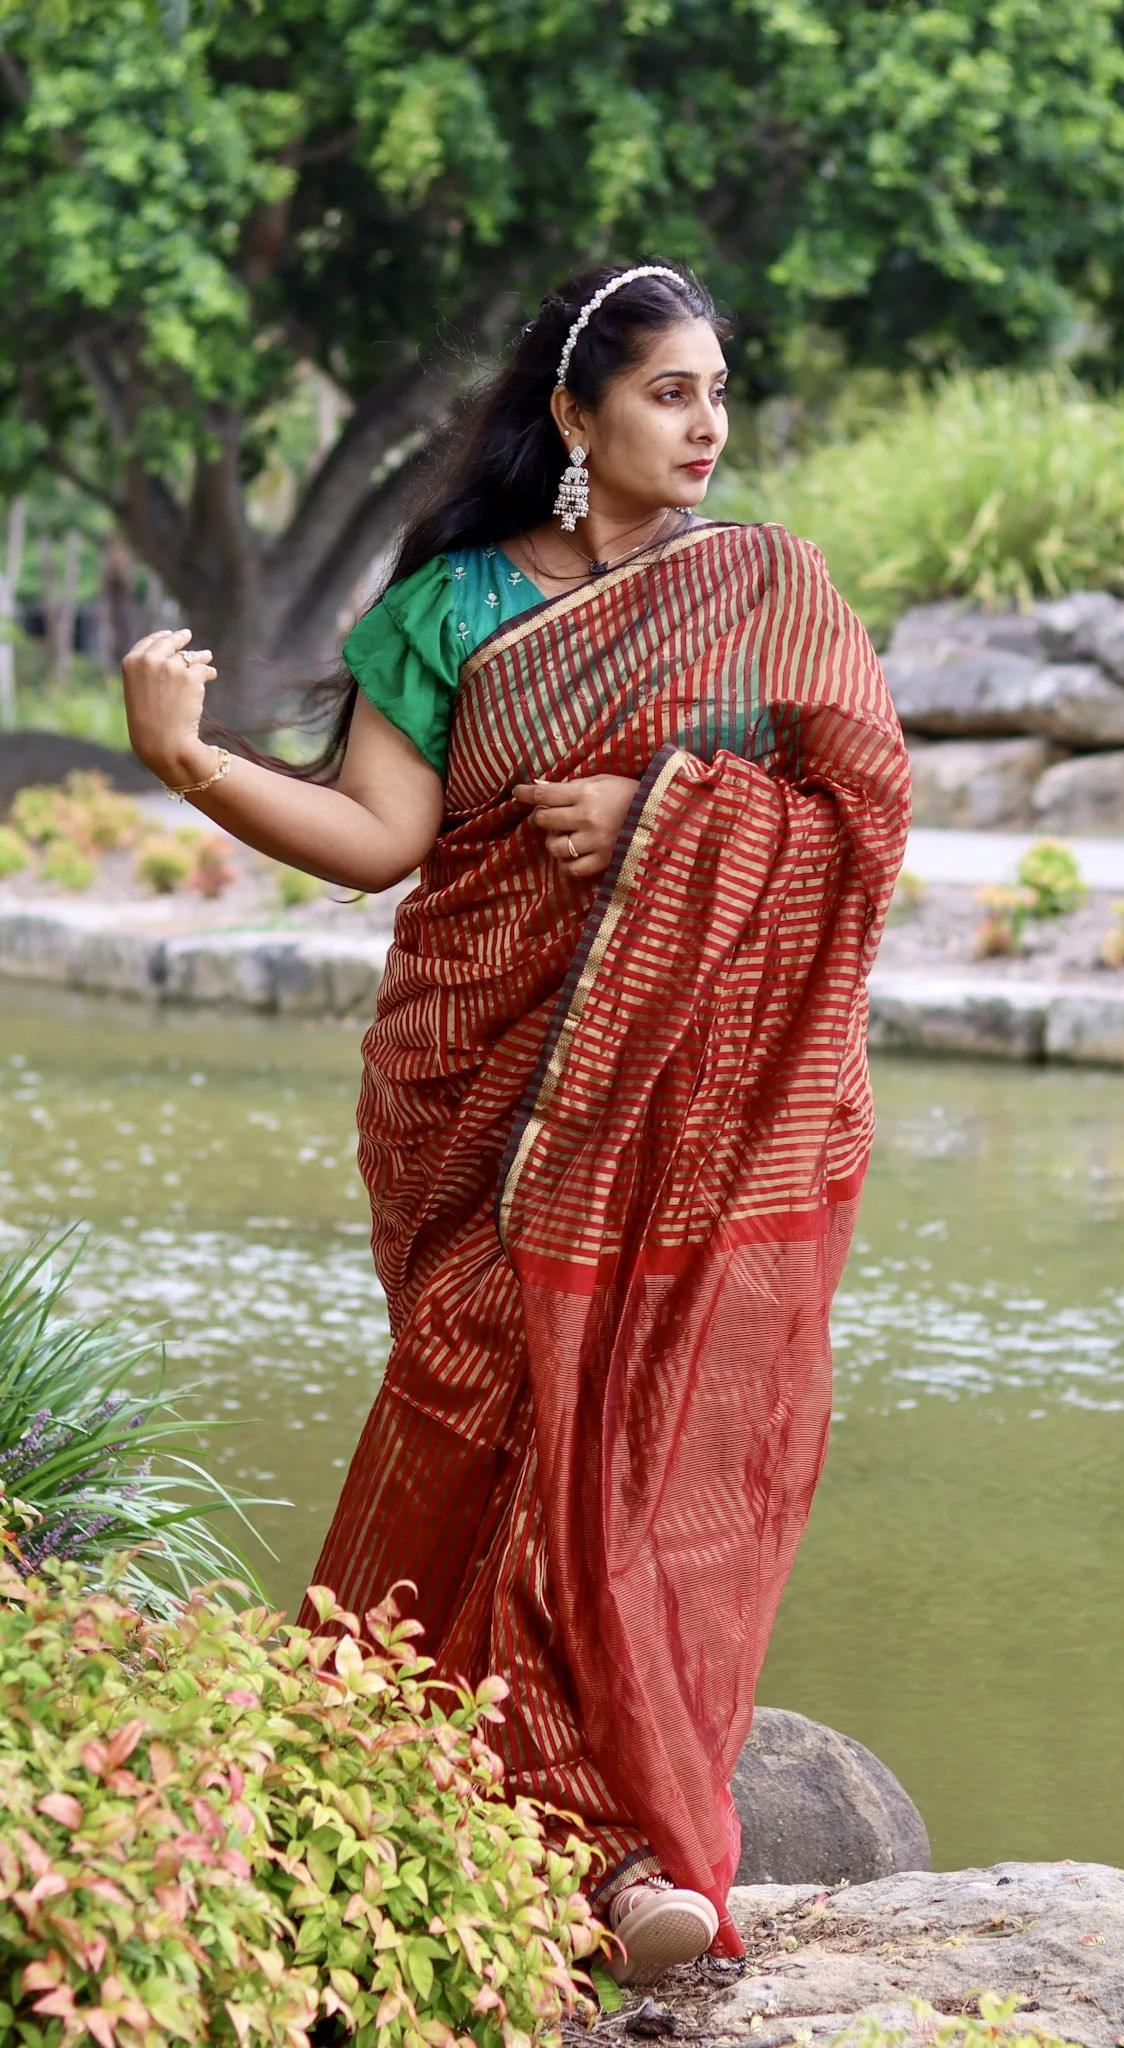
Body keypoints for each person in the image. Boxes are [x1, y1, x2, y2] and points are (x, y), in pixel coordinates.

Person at [121, 262, 910, 1985]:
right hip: (476, 1083)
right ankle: (377, 1775)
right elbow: (378, 841)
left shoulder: (768, 591)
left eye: (717, 392)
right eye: (665, 394)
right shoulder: (454, 601)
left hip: (688, 1110)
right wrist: (190, 760)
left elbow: (860, 823)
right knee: (477, 1400)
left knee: (626, 1435)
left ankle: (609, 1835)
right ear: (574, 415)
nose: (705, 424)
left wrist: (663, 815)